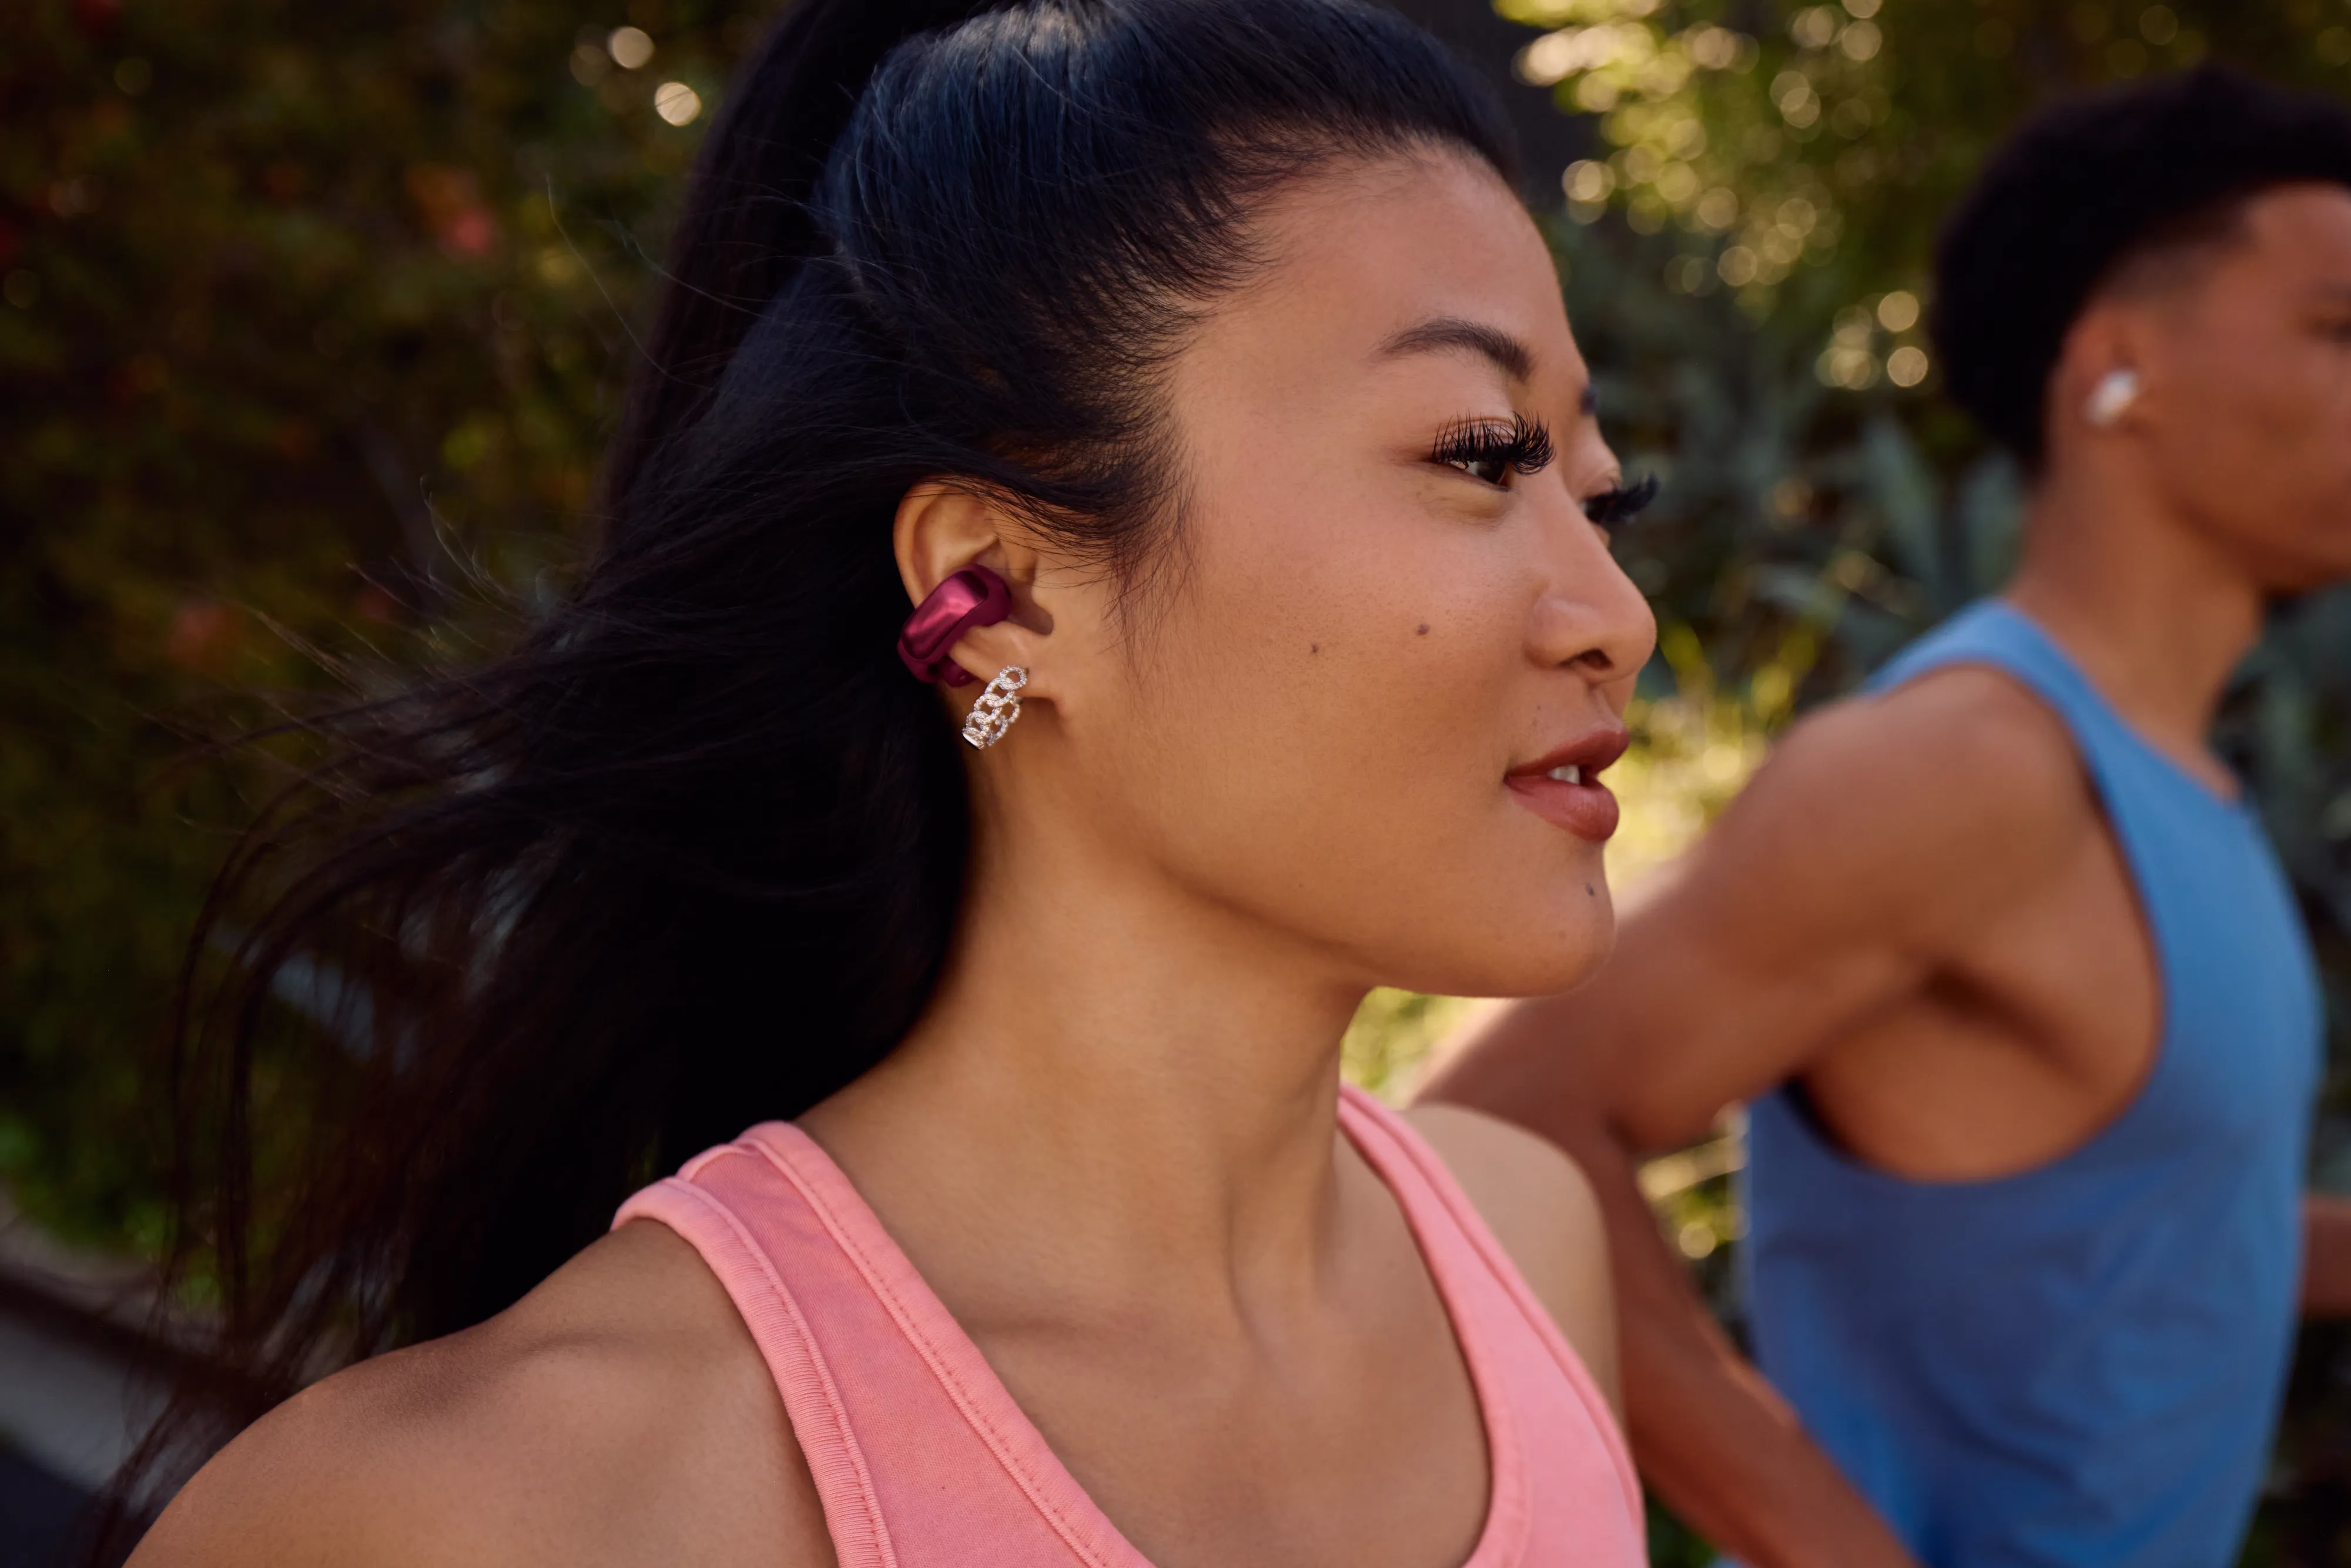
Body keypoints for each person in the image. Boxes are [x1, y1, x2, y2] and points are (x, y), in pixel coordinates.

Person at [120, 3, 1663, 1565]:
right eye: (1481, 456)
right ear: (999, 589)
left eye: (1608, 497)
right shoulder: (509, 1504)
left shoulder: (1525, 1253)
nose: (1618, 613)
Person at [1426, 65, 2351, 1568]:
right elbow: (1491, 1116)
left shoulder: (2182, 780)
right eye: (2334, 330)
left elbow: (2161, 1224)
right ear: (2118, 364)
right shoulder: (1969, 767)